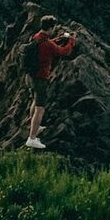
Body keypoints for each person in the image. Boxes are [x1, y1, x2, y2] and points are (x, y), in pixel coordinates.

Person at [24, 15, 77, 149]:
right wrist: (70, 40)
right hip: (40, 79)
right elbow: (64, 52)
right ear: (51, 27)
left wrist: (58, 39)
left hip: (30, 77)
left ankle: (34, 126)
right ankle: (32, 138)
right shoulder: (47, 44)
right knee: (40, 108)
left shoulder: (37, 37)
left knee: (35, 102)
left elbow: (49, 44)